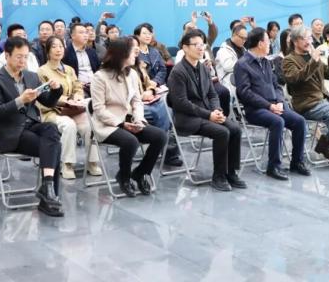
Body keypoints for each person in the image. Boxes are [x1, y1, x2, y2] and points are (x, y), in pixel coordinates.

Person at [0, 37, 65, 217]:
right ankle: (50, 196)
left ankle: (47, 190)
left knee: (51, 129)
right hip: (10, 132)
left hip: (31, 124)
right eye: (18, 57)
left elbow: (48, 102)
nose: (23, 61)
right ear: (7, 56)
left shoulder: (31, 76)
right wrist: (20, 100)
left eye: (26, 57)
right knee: (54, 147)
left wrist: (56, 90)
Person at [167, 29, 246, 192]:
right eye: (195, 45)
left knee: (235, 129)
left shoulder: (203, 68)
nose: (200, 48)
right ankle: (218, 176)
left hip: (206, 114)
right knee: (222, 132)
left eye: (202, 44)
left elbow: (212, 93)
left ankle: (231, 172)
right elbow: (181, 103)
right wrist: (209, 115)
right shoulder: (178, 72)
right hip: (188, 119)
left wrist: (217, 110)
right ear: (185, 48)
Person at [91, 38, 167, 197]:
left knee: (160, 136)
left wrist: (138, 119)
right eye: (133, 51)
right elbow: (99, 109)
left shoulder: (131, 73)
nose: (136, 53)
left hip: (130, 120)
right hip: (107, 124)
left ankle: (141, 173)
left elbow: (136, 101)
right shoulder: (100, 77)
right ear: (122, 54)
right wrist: (121, 124)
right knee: (130, 141)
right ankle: (124, 177)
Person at [234, 28, 310, 180]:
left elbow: (277, 86)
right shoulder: (242, 64)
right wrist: (268, 106)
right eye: (268, 41)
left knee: (299, 121)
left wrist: (280, 102)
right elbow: (245, 93)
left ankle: (297, 162)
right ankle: (273, 166)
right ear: (260, 44)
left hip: (275, 105)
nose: (270, 44)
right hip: (256, 109)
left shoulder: (266, 62)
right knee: (277, 121)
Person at [283, 25, 329, 170]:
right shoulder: (289, 60)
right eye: (305, 38)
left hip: (322, 100)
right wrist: (313, 60)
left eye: (309, 38)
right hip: (305, 104)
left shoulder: (313, 56)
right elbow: (295, 79)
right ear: (295, 41)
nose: (309, 41)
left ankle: (324, 143)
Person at [37, 36, 102, 179]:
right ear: (48, 51)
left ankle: (92, 162)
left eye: (61, 46)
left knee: (89, 125)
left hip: (72, 110)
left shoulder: (69, 69)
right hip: (51, 111)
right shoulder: (42, 71)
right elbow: (45, 96)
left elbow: (77, 86)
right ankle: (67, 164)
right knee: (69, 126)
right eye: (54, 47)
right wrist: (66, 101)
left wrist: (78, 96)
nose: (58, 50)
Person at [129, 36, 182, 167]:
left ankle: (164, 148)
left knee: (168, 110)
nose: (137, 49)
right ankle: (166, 151)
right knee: (163, 113)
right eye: (133, 46)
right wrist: (141, 96)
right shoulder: (119, 71)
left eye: (137, 46)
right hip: (131, 108)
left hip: (146, 102)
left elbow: (149, 83)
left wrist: (151, 91)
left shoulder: (139, 65)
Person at [63, 23, 100, 93]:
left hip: (95, 85)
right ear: (73, 36)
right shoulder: (65, 53)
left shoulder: (92, 51)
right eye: (81, 33)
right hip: (78, 88)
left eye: (86, 33)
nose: (85, 35)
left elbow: (98, 69)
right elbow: (65, 75)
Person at [215, 24, 247, 94]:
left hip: (242, 79)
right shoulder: (224, 50)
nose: (244, 41)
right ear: (234, 35)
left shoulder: (243, 49)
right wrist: (246, 63)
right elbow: (228, 67)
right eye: (242, 38)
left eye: (246, 38)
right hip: (229, 81)